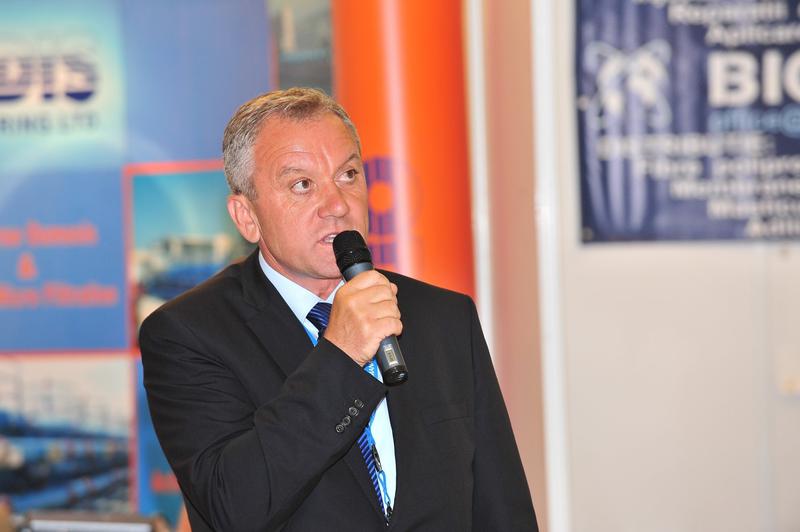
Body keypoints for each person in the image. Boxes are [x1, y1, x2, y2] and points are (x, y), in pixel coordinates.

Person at [140, 87, 538, 531]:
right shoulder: (188, 334)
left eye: (348, 175)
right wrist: (341, 356)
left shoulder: (443, 317)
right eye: (302, 185)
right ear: (246, 217)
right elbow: (231, 508)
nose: (337, 205)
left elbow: (502, 508)